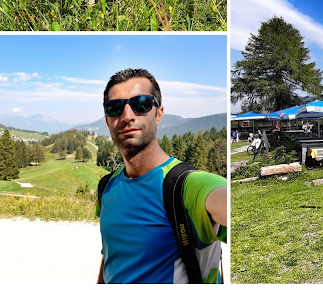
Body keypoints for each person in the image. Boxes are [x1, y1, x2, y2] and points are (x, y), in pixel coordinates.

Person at [96, 68, 227, 284]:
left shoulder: (188, 186)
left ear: (158, 113)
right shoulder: (107, 187)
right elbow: (112, 255)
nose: (127, 116)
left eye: (141, 104)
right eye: (115, 108)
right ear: (107, 119)